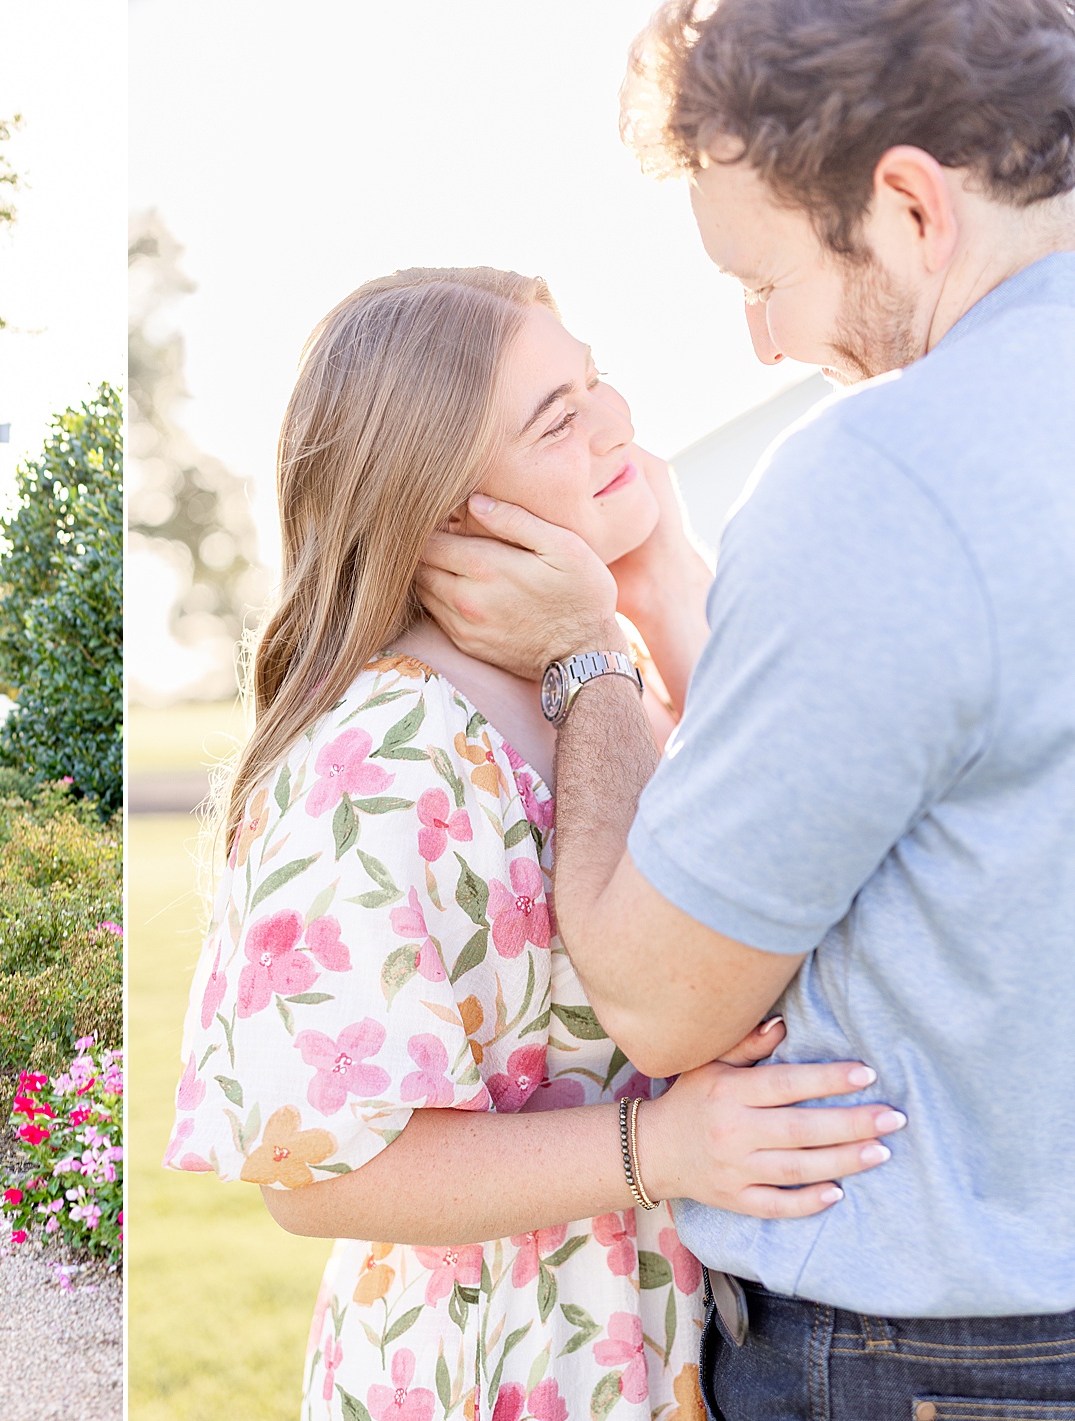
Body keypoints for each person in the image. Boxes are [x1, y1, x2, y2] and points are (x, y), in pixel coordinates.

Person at [414, 1, 1075, 1413]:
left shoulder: (890, 474)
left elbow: (656, 998)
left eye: (763, 276)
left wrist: (590, 661)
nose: (766, 344)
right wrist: (666, 595)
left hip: (941, 1356)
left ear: (906, 205)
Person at [166, 268, 905, 1421]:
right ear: (454, 509)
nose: (614, 418)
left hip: (692, 1343)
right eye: (558, 417)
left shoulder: (610, 682)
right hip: (502, 1361)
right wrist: (654, 1146)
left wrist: (659, 590)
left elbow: (806, 880)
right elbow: (317, 1173)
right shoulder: (387, 749)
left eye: (595, 380)